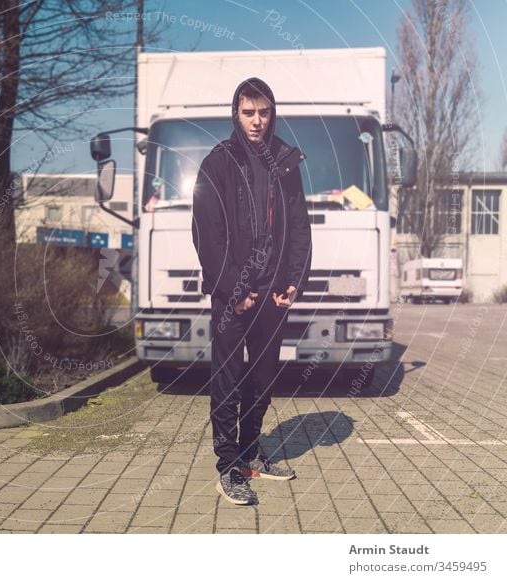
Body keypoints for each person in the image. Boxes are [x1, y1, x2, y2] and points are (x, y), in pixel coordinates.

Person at [191, 77, 312, 505]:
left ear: (272, 113)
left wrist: (295, 279)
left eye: (263, 112)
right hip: (234, 296)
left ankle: (249, 454)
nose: (257, 121)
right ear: (236, 114)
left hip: (273, 294)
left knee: (262, 378)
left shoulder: (285, 161)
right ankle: (227, 467)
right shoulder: (218, 162)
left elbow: (299, 226)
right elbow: (208, 233)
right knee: (228, 378)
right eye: (248, 112)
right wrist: (232, 288)